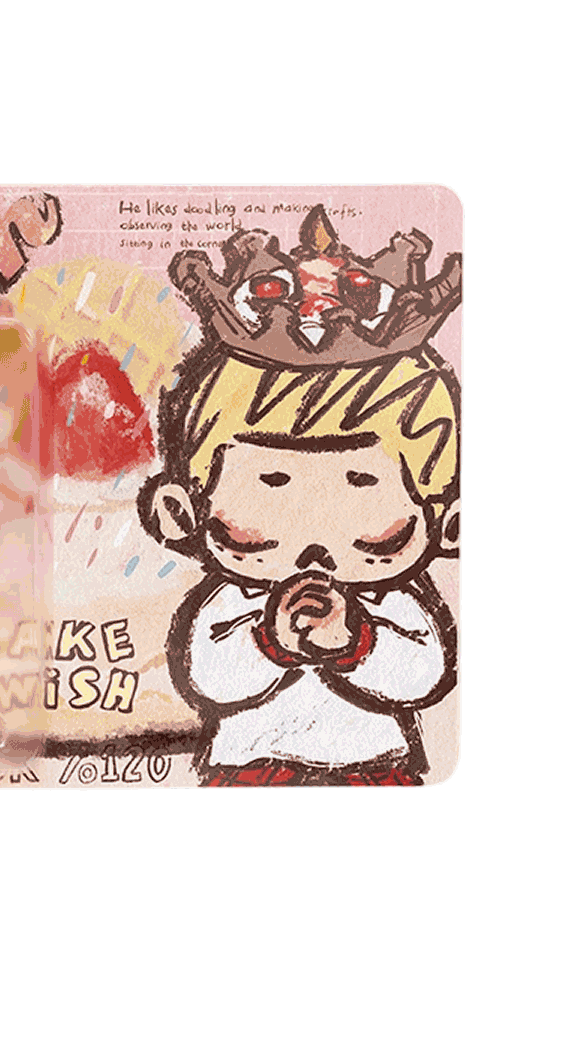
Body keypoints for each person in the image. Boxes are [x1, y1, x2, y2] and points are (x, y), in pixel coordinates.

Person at [139, 207, 461, 785]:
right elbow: (208, 675)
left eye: (362, 485)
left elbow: (424, 673)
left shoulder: (396, 603)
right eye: (272, 485)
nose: (317, 536)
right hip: (248, 771)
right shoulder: (229, 603)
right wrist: (271, 640)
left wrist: (355, 640)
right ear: (182, 513)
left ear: (446, 522)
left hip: (375, 772)